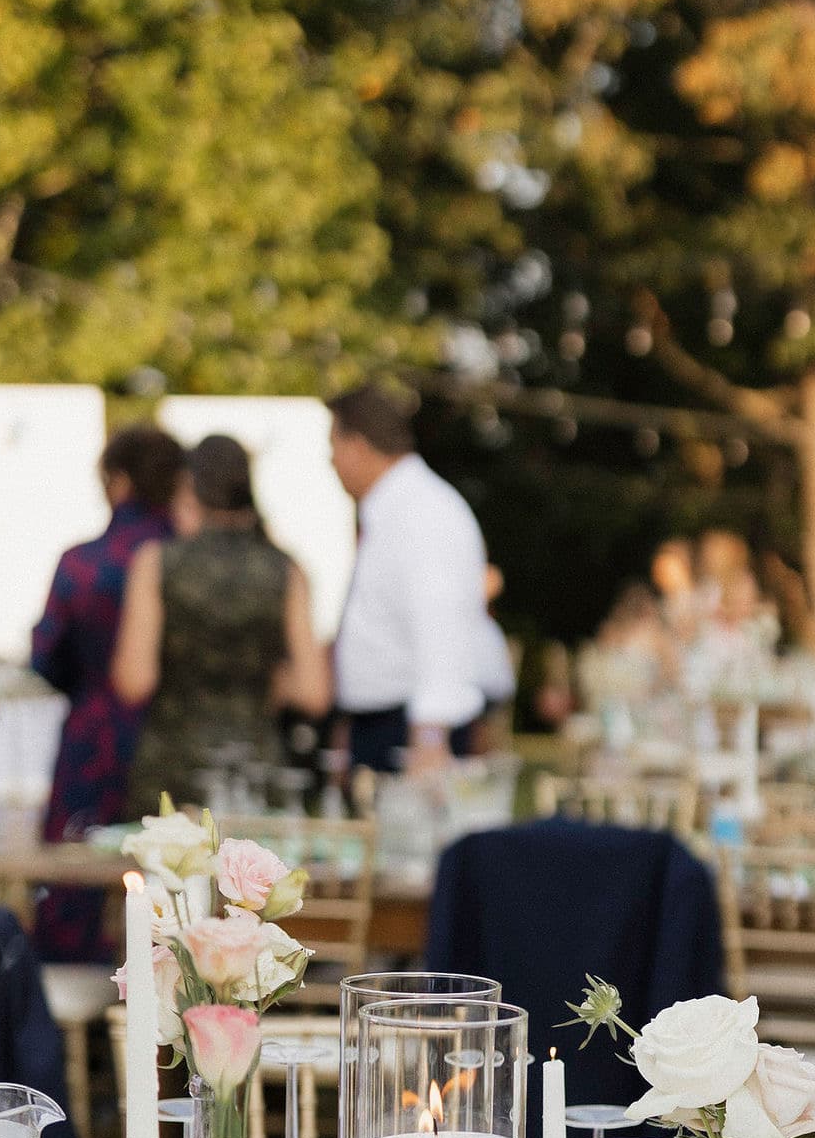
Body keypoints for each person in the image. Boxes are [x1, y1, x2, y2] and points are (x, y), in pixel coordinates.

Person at [29, 425, 187, 959]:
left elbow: (45, 655)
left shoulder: (82, 563)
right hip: (176, 738)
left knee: (77, 881)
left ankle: (81, 1020)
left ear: (118, 481)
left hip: (94, 736)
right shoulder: (187, 560)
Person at [113, 432, 330, 817]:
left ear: (190, 489)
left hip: (173, 767)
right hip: (256, 766)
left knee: (173, 875)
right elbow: (313, 692)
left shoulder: (157, 564)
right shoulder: (286, 569)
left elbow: (134, 681)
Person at [327, 386, 493, 775]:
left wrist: (430, 740)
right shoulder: (396, 509)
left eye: (333, 445)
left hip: (413, 732)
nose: (330, 460)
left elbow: (441, 627)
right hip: (386, 722)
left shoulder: (422, 513)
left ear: (357, 445)